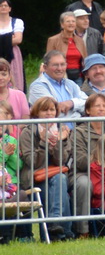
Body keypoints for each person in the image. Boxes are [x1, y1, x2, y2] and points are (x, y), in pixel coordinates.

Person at [17, 97, 75, 240]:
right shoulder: (28, 132)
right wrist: (43, 143)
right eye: (45, 110)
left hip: (54, 177)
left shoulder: (61, 130)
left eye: (52, 109)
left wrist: (60, 141)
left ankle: (54, 229)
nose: (49, 113)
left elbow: (61, 161)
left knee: (59, 181)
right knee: (58, 187)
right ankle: (63, 232)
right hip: (34, 178)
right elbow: (32, 162)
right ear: (36, 113)